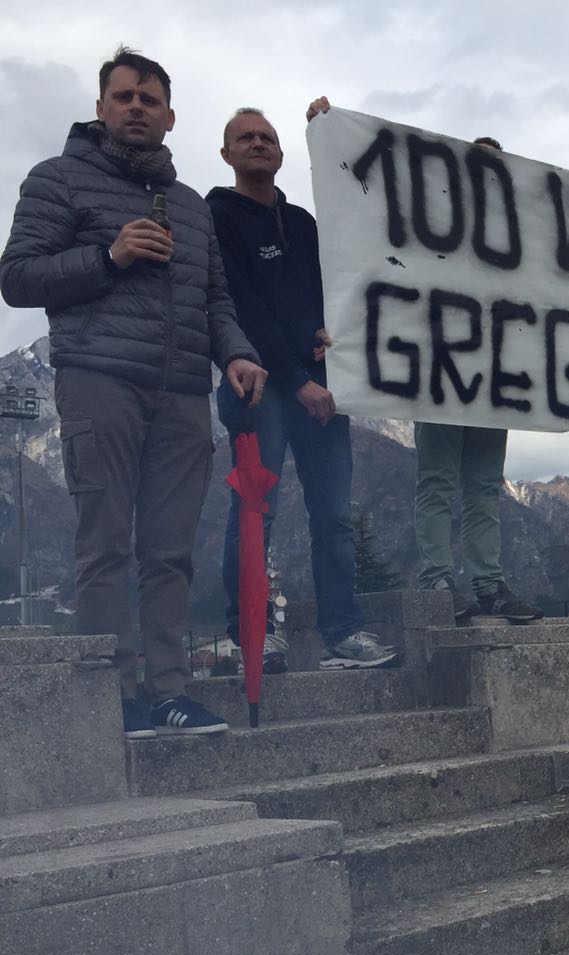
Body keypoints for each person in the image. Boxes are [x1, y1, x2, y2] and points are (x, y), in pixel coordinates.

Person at [1, 47, 267, 737]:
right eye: (123, 97)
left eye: (149, 100)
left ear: (171, 116)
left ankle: (168, 693)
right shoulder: (55, 180)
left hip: (183, 392)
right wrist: (106, 257)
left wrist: (235, 353)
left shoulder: (189, 205)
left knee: (171, 549)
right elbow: (19, 278)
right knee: (105, 543)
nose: (136, 108)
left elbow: (216, 300)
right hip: (100, 380)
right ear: (100, 109)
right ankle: (109, 698)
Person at [211, 104, 400, 672]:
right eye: (244, 137)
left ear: (282, 152)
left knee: (334, 515)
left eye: (267, 136)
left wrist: (327, 332)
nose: (257, 143)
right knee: (254, 510)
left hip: (321, 388)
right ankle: (252, 630)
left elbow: (336, 283)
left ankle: (343, 633)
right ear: (226, 154)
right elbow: (242, 306)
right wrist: (296, 380)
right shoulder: (214, 216)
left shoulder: (304, 225)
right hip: (259, 387)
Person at [366, 123, 541, 627]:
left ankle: (488, 583)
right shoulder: (429, 220)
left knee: (484, 483)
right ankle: (437, 578)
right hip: (440, 371)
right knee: (439, 479)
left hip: (493, 378)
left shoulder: (521, 236)